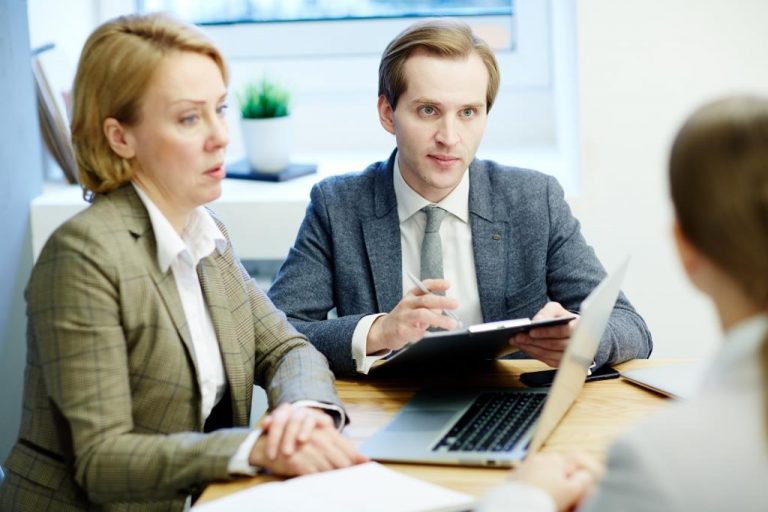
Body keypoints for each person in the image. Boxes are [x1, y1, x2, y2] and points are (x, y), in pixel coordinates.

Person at [0, 13, 365, 512]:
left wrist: (301, 412)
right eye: (189, 118)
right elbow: (103, 460)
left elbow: (287, 348)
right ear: (120, 137)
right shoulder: (83, 256)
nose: (220, 136)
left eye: (220, 109)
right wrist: (253, 449)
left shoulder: (204, 231)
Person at [268, 19, 652, 375]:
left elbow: (630, 325)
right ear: (388, 113)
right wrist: (379, 331)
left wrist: (581, 337)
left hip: (506, 410)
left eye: (468, 112)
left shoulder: (535, 199)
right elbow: (276, 334)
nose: (449, 137)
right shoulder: (337, 205)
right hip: (386, 412)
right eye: (428, 110)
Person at [479, 95, 768, 511]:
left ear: (684, 247)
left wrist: (527, 495)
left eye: (469, 111)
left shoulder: (659, 463)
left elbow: (629, 325)